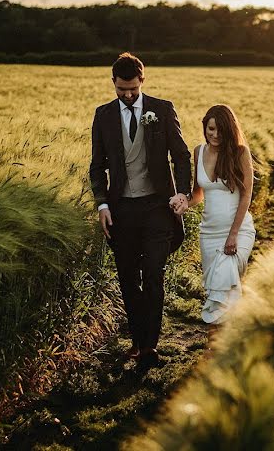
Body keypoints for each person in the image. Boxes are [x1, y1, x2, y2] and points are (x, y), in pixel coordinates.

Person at [89, 52, 191, 368]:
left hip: (158, 207)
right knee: (129, 280)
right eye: (122, 90)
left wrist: (183, 194)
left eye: (133, 89)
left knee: (154, 275)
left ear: (142, 81)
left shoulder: (162, 109)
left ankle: (149, 348)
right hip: (122, 211)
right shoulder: (103, 115)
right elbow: (97, 167)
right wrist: (103, 204)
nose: (128, 95)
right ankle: (136, 340)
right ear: (113, 83)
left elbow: (182, 155)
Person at [176, 104, 256, 324]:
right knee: (215, 292)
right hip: (208, 234)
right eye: (211, 129)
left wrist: (233, 234)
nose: (215, 134)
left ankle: (221, 340)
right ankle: (221, 343)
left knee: (225, 287)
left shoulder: (240, 153)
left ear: (229, 130)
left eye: (220, 130)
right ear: (205, 127)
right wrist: (183, 202)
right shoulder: (199, 151)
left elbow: (246, 195)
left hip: (238, 231)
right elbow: (198, 194)